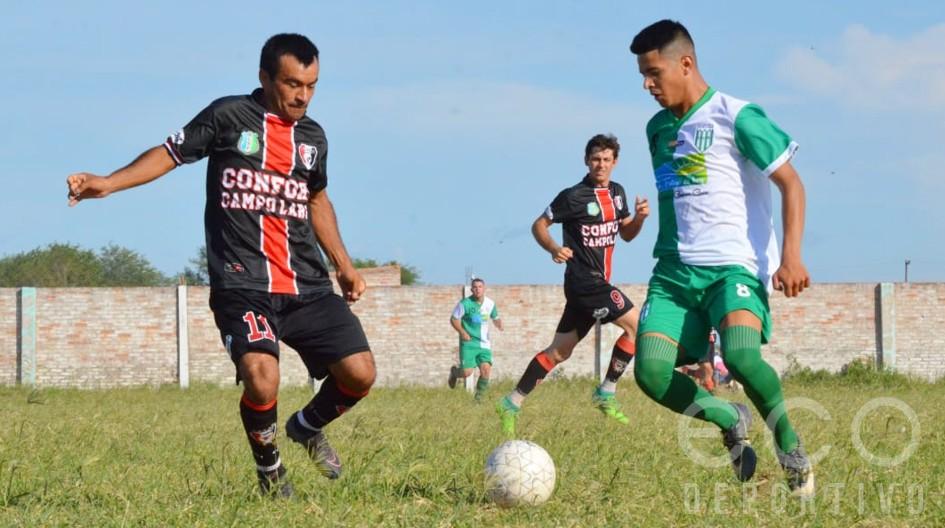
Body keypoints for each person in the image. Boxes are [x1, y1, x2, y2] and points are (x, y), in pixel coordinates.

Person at [66, 33, 376, 498]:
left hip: (306, 284)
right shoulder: (228, 116)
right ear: (265, 77)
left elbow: (316, 199)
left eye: (311, 85)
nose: (303, 96)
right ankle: (271, 473)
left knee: (360, 373)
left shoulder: (313, 138)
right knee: (262, 376)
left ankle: (307, 426)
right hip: (242, 283)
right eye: (292, 84)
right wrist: (109, 183)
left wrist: (344, 265)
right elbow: (169, 154)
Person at [629, 20, 814, 497]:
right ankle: (728, 416)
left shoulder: (738, 116)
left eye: (653, 73)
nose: (647, 85)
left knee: (741, 357)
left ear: (685, 64)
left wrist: (791, 256)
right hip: (673, 274)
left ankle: (789, 444)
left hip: (733, 267)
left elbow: (791, 183)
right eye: (643, 76)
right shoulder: (657, 129)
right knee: (650, 374)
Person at [496, 134, 649, 436]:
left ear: (615, 162)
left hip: (595, 285)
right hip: (584, 283)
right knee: (637, 327)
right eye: (596, 159)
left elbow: (627, 234)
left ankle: (510, 403)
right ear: (586, 161)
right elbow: (539, 225)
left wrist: (640, 218)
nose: (601, 165)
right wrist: (554, 248)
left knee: (559, 352)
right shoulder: (573, 196)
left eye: (606, 159)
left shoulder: (617, 193)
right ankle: (606, 392)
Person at [448, 278, 504, 401]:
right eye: (475, 287)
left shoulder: (490, 304)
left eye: (480, 287)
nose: (477, 289)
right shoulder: (465, 304)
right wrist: (462, 332)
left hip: (484, 344)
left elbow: (495, 317)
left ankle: (478, 400)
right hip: (469, 343)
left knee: (486, 370)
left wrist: (499, 323)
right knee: (467, 373)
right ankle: (454, 373)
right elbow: (454, 319)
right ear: (472, 289)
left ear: (484, 288)